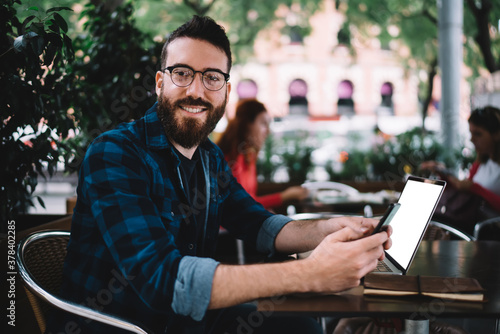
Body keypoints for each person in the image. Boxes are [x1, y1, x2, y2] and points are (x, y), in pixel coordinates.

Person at [52, 16, 391, 334]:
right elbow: (162, 280)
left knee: (299, 327)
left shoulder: (209, 157)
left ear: (226, 92)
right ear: (159, 83)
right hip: (126, 325)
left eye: (212, 77)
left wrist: (332, 227)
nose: (196, 91)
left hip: (183, 321)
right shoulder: (115, 153)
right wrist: (311, 274)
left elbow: (258, 223)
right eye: (182, 73)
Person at [216, 98, 309, 210]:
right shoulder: (231, 159)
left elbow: (250, 200)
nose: (268, 131)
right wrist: (285, 196)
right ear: (247, 125)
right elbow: (241, 205)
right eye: (263, 123)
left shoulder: (248, 156)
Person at [421, 106, 500, 233]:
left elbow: (472, 189)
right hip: (471, 224)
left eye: (478, 134)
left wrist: (475, 189)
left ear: (496, 134)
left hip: (487, 232)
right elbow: (465, 192)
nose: (472, 139)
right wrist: (443, 174)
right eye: (471, 133)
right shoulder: (481, 162)